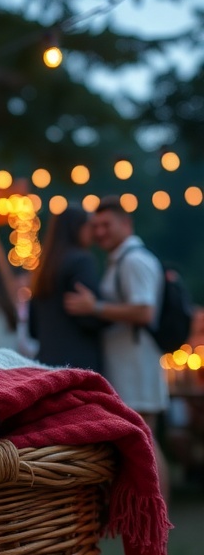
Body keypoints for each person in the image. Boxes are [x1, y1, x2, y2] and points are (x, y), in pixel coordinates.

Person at [64, 196, 169, 496]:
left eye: (106, 225)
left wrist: (94, 307)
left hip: (138, 365)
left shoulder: (134, 260)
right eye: (95, 226)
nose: (99, 232)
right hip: (131, 364)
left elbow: (144, 311)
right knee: (144, 442)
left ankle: (159, 519)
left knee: (146, 442)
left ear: (127, 223)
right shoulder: (120, 260)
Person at [29, 204, 104, 373]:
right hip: (78, 365)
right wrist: (103, 310)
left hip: (46, 362)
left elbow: (32, 329)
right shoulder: (81, 261)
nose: (94, 233)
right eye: (90, 226)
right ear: (77, 228)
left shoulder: (42, 268)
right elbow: (90, 319)